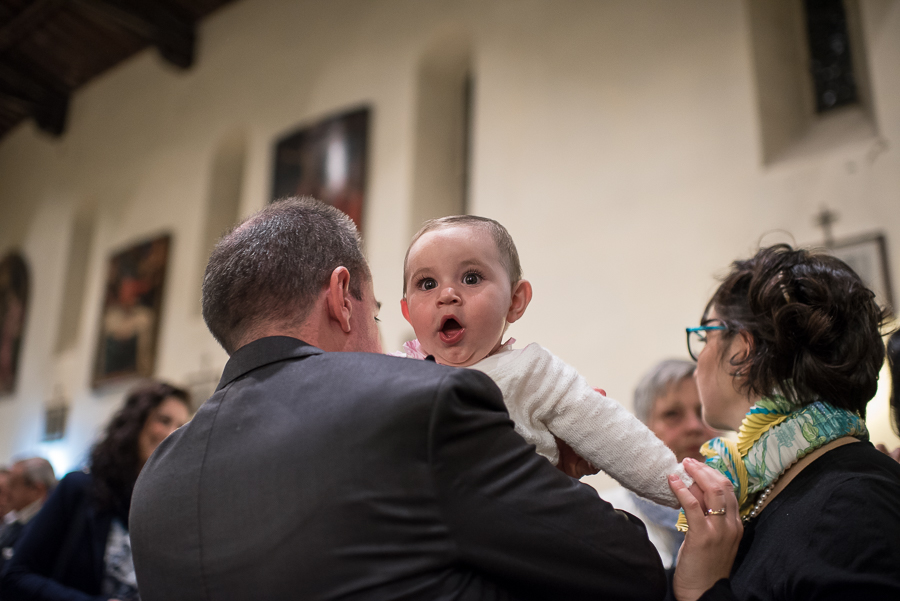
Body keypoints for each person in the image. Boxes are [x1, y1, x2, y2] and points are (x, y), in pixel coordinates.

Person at [129, 197, 668, 601]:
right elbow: (626, 566)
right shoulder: (420, 403)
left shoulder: (155, 483)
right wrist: (549, 482)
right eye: (380, 310)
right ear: (343, 299)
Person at [398, 215, 691, 507]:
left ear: (515, 301)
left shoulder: (532, 372)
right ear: (408, 311)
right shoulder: (396, 374)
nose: (447, 295)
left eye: (471, 278)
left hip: (521, 520)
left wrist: (682, 489)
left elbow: (613, 434)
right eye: (427, 283)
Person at [669, 244, 900, 601]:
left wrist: (702, 591)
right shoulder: (764, 486)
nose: (697, 362)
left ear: (741, 351)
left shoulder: (853, 504)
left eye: (705, 336)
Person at [0, 382, 190, 601]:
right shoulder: (79, 488)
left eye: (181, 426)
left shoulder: (167, 506)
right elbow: (14, 577)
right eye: (164, 420)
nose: (171, 433)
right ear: (136, 423)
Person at [602, 359, 721, 567]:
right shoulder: (608, 515)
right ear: (643, 430)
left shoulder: (749, 508)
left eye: (703, 412)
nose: (694, 426)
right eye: (672, 414)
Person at [0, 457, 56, 575]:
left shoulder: (46, 527)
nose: (7, 491)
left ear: (37, 489)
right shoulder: (17, 520)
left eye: (13, 484)